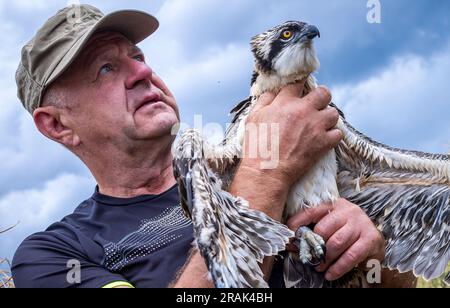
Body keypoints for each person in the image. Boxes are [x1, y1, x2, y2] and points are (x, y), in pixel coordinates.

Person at [11, 4, 404, 288]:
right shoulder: (54, 256)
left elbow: (399, 285)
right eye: (106, 68)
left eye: (137, 56)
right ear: (57, 124)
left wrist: (371, 255)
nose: (143, 72)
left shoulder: (282, 159)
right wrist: (268, 171)